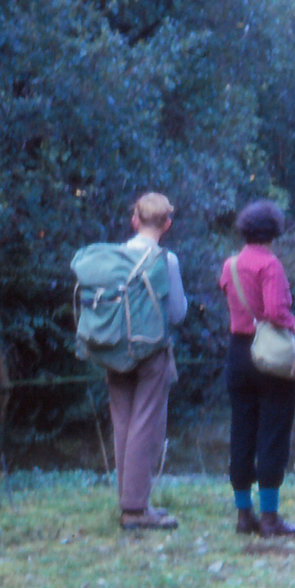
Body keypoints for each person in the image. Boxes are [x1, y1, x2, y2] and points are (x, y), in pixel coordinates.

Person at [219, 200, 295, 537]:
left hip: (238, 353)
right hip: (270, 355)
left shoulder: (231, 264)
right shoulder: (270, 264)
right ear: (274, 231)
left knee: (241, 432)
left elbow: (231, 296)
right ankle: (270, 518)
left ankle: (244, 515)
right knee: (273, 434)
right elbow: (274, 311)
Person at [106, 192, 188, 530]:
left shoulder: (114, 256)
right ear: (167, 224)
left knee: (123, 423)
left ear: (134, 220)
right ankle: (137, 509)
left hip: (114, 350)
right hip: (151, 352)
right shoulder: (166, 260)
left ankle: (129, 503)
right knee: (145, 426)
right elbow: (178, 313)